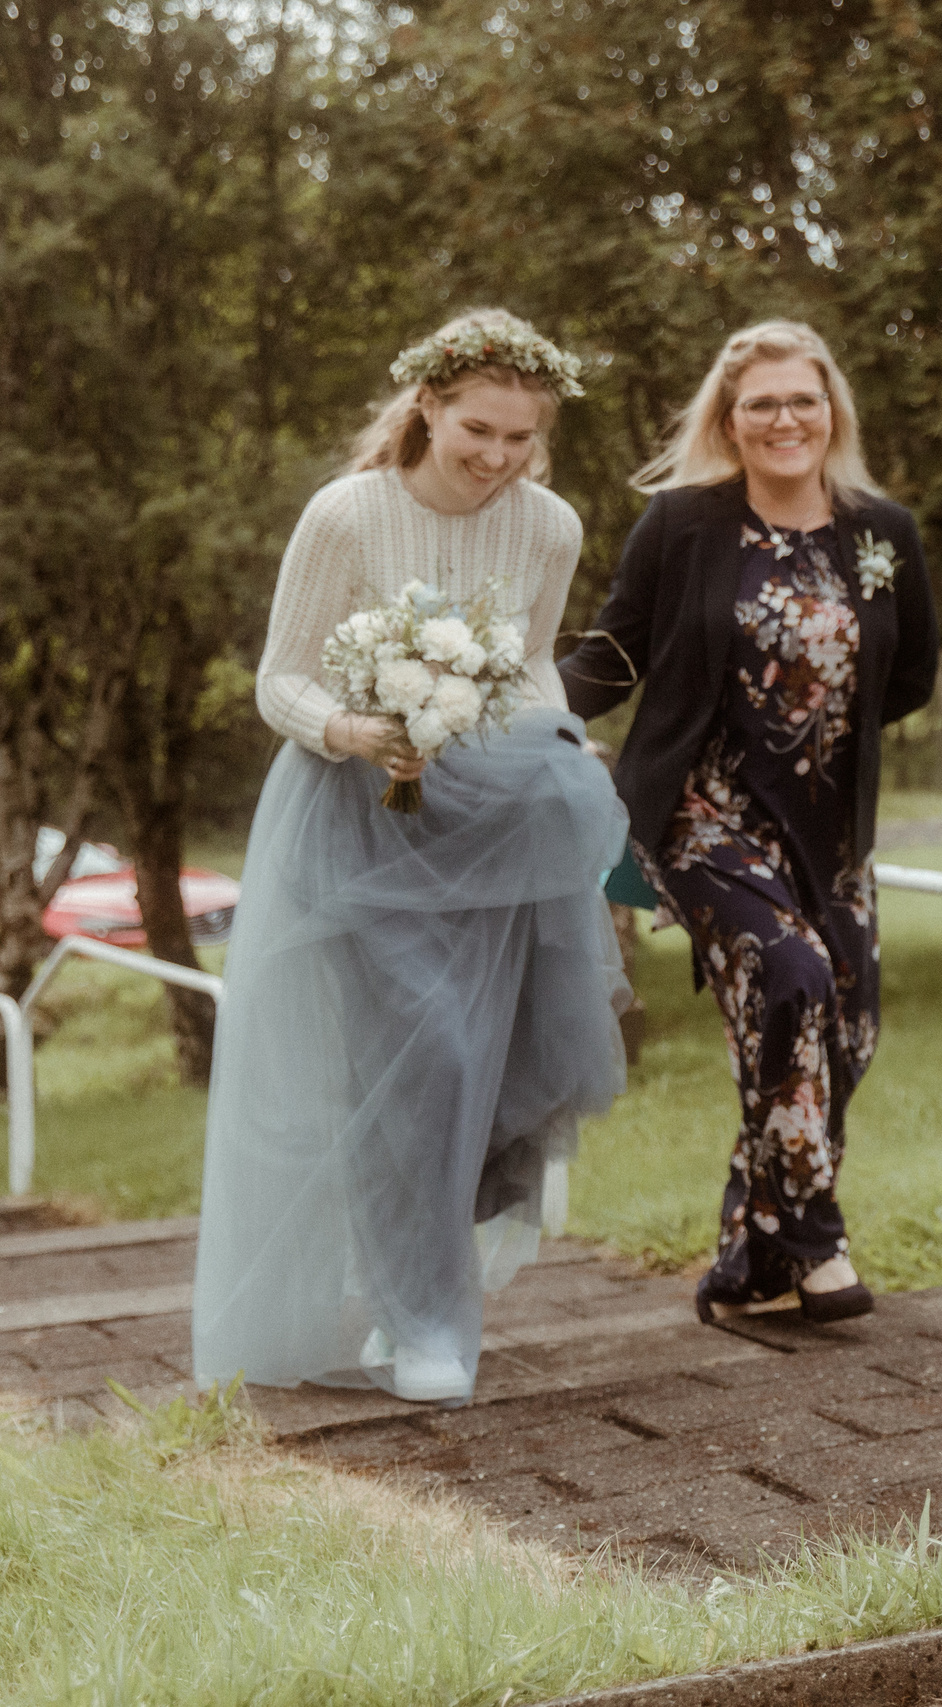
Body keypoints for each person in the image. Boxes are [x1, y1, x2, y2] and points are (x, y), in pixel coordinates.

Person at [193, 308, 630, 1407]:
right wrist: (353, 730)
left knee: (487, 1060)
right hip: (357, 819)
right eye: (478, 430)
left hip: (493, 820)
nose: (497, 457)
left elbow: (533, 666)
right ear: (428, 407)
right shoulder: (346, 515)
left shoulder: (550, 528)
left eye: (521, 438)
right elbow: (280, 679)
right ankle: (424, 1311)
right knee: (419, 1051)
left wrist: (555, 738)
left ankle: (413, 1289)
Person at [561, 322, 937, 1327]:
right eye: (761, 403)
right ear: (729, 422)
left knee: (843, 1036)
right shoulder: (682, 525)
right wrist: (509, 711)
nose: (784, 419)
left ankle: (749, 1251)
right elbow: (612, 654)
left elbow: (909, 676)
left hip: (831, 830)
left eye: (802, 399)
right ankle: (817, 1244)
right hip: (703, 814)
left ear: (831, 412)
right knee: (791, 977)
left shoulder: (883, 532)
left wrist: (812, 736)